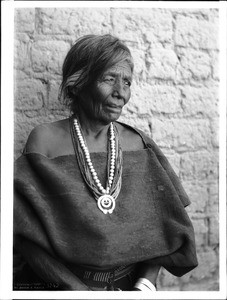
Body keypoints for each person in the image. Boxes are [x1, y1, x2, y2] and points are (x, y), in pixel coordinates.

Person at [13, 34, 198, 291]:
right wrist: (81, 293)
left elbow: (163, 227)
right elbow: (23, 235)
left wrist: (144, 286)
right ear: (77, 83)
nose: (120, 93)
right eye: (109, 79)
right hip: (60, 287)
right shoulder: (44, 141)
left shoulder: (138, 145)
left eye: (127, 82)